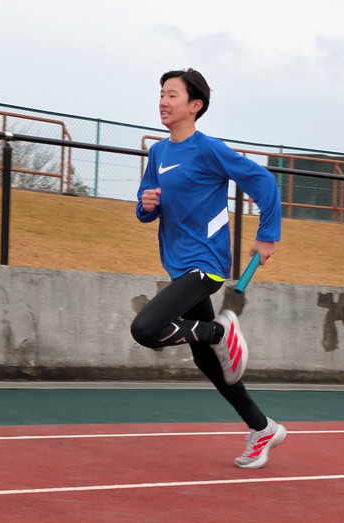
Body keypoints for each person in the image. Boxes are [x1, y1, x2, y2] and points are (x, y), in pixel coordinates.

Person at [129, 68, 286, 469]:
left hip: (207, 261)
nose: (163, 102)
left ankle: (220, 330)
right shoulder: (158, 153)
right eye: (161, 94)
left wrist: (267, 234)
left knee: (146, 329)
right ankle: (262, 427)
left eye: (172, 95)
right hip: (178, 264)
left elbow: (263, 182)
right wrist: (146, 206)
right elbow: (146, 206)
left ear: (195, 106)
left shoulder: (209, 149)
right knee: (206, 359)